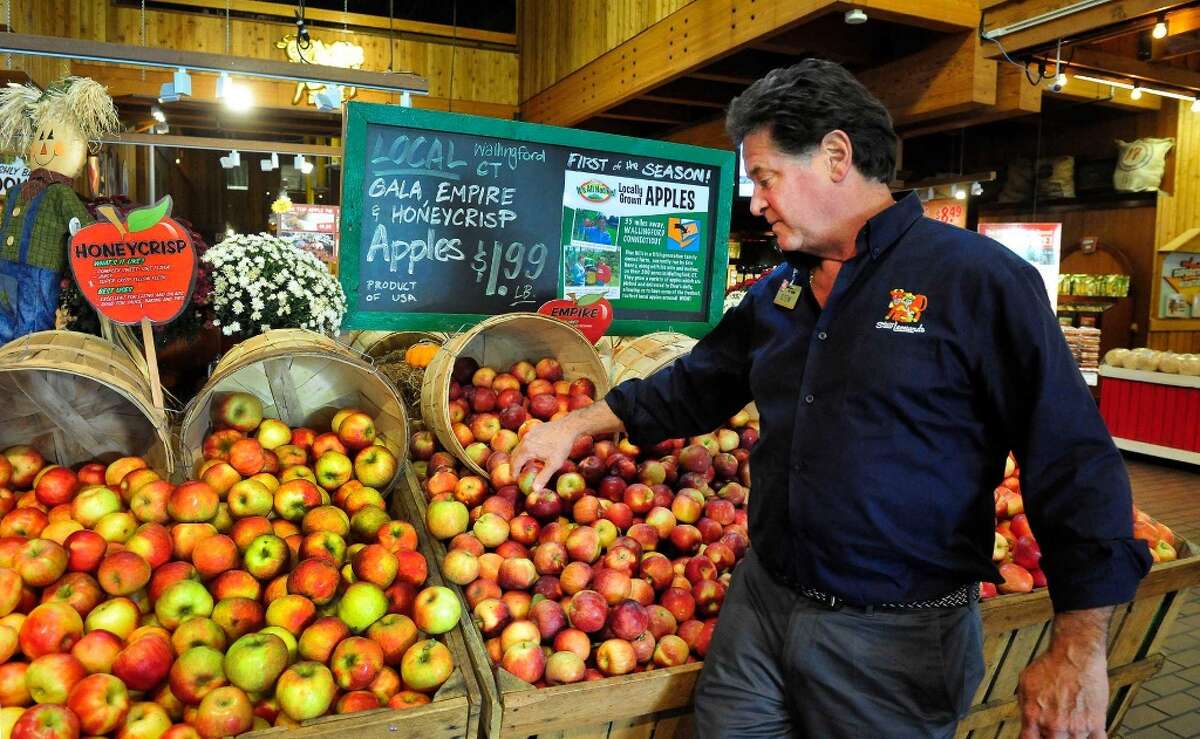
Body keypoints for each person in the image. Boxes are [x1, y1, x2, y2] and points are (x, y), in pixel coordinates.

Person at [512, 58, 1150, 739]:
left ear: (837, 155)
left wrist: (1079, 648)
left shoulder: (978, 281)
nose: (755, 201)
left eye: (764, 177)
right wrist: (576, 424)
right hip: (761, 606)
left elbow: (1071, 461)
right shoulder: (777, 293)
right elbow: (695, 384)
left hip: (895, 640)